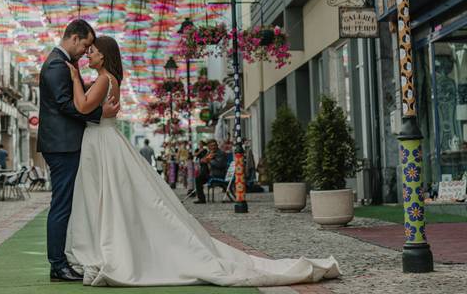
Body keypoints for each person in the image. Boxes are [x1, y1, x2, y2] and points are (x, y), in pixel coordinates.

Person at [62, 35, 340, 287]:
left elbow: (83, 107)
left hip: (101, 141)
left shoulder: (102, 78)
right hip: (103, 140)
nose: (89, 54)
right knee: (108, 196)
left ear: (105, 55)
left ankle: (107, 247)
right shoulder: (110, 79)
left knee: (104, 196)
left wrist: (75, 79)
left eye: (94, 51)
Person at [37, 19, 120, 283]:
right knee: (62, 204)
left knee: (71, 202)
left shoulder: (64, 64)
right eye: (85, 45)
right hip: (62, 145)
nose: (86, 51)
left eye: (90, 49)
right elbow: (65, 105)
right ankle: (58, 265)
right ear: (74, 38)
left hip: (66, 143)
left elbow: (73, 100)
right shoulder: (56, 65)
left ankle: (65, 260)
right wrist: (98, 113)